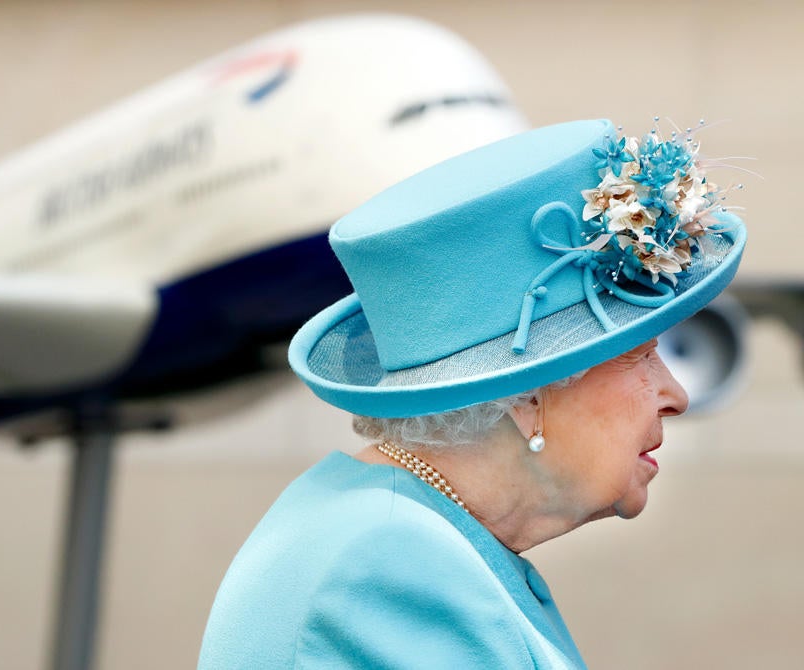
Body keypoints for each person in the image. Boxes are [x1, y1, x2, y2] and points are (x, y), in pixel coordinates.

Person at [198, 118, 747, 668]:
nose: (676, 395)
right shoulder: (392, 562)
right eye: (640, 355)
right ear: (528, 396)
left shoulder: (399, 530)